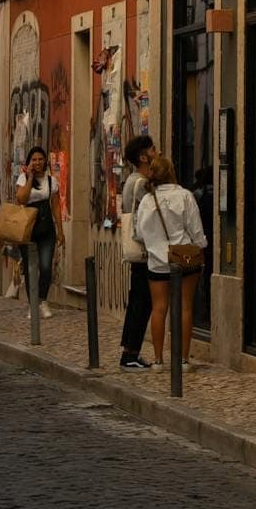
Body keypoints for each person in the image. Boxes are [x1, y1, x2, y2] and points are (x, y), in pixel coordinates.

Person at [134, 154, 207, 369]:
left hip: (157, 260)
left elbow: (139, 233)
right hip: (184, 258)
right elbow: (195, 229)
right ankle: (183, 359)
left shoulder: (147, 200)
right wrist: (201, 246)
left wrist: (155, 244)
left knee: (159, 308)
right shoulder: (184, 196)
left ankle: (157, 360)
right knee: (185, 307)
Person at [118, 134, 158, 371]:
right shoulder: (140, 184)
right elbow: (148, 217)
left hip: (141, 250)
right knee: (142, 302)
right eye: (153, 149)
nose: (157, 152)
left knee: (138, 300)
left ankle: (130, 351)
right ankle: (130, 353)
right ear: (143, 156)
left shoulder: (132, 180)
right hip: (143, 249)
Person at [15, 146, 57, 318]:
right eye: (34, 159)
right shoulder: (23, 178)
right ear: (29, 162)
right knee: (30, 267)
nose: (38, 162)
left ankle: (42, 300)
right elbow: (22, 199)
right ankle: (32, 304)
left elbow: (55, 206)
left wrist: (60, 231)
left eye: (40, 159)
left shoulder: (51, 181)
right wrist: (30, 177)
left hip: (46, 227)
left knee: (46, 267)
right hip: (28, 228)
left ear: (45, 161)